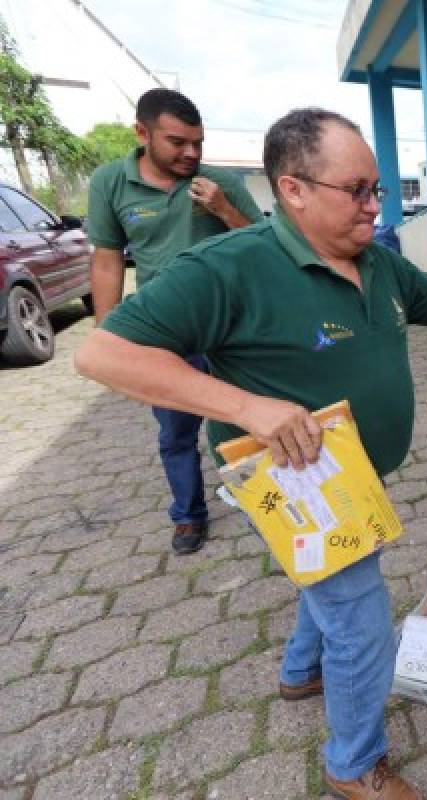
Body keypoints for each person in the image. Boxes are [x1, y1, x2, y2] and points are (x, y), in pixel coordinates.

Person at [75, 108, 427, 800]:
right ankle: (354, 764)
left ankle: (302, 669)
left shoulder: (378, 261)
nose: (372, 206)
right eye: (355, 190)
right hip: (301, 484)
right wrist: (247, 407)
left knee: (334, 588)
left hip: (355, 479)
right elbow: (103, 354)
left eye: (376, 191)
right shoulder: (229, 266)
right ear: (293, 188)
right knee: (362, 625)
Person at [86, 88, 263, 555]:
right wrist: (109, 340)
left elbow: (266, 248)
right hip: (166, 335)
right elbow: (107, 262)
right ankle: (188, 515)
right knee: (176, 431)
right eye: (177, 142)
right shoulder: (110, 183)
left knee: (251, 420)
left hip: (232, 331)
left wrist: (224, 209)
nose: (191, 153)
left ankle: (266, 501)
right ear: (142, 133)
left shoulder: (218, 181)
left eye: (198, 143)